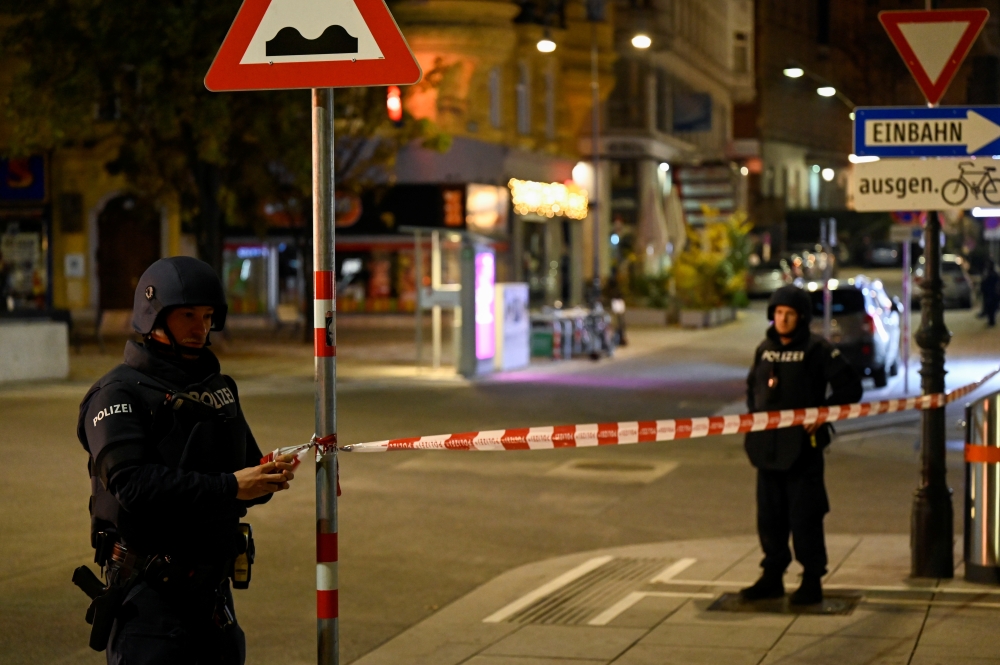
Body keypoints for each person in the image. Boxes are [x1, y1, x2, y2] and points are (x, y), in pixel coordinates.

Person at [75, 256, 297, 664]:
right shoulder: (117, 394)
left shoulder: (216, 388)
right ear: (153, 317)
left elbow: (243, 474)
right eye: (188, 316)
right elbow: (133, 485)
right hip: (150, 604)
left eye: (209, 316)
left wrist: (267, 474)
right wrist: (232, 486)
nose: (201, 328)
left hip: (213, 599)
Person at [740, 285, 862, 606]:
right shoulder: (764, 349)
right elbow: (752, 389)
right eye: (778, 313)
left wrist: (824, 412)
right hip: (766, 450)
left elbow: (851, 386)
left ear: (802, 316)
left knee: (805, 517)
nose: (782, 319)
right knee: (770, 518)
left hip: (802, 451)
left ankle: (811, 580)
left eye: (789, 314)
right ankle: (772, 577)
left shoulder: (817, 350)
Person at [981, 260, 999, 327]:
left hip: (991, 293)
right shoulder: (989, 273)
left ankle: (991, 321)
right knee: (990, 307)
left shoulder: (992, 274)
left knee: (991, 307)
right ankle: (991, 320)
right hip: (989, 293)